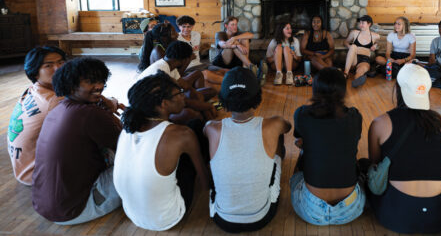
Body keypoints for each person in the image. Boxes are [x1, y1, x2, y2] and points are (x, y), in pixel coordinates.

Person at [32, 58, 125, 225]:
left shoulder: (59, 107)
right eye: (90, 82)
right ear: (71, 85)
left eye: (101, 80)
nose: (99, 86)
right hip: (77, 210)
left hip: (46, 206)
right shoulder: (90, 114)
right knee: (143, 160)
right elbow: (128, 147)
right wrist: (111, 111)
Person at [113, 72, 210, 231]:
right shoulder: (181, 135)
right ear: (163, 104)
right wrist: (210, 192)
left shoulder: (127, 129)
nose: (183, 96)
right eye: (178, 93)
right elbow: (203, 176)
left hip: (133, 214)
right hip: (169, 217)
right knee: (197, 129)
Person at [367, 64, 441, 234]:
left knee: (365, 168)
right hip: (439, 216)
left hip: (396, 215)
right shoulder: (440, 122)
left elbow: (375, 163)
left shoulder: (381, 123)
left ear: (398, 89)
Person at [204, 67, 291, 232]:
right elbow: (287, 127)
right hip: (260, 217)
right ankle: (275, 160)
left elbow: (204, 132)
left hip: (222, 220)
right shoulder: (274, 123)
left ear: (223, 99)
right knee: (277, 136)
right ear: (257, 97)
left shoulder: (211, 128)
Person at [290, 68, 365, 225]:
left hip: (311, 210)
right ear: (343, 91)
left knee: (296, 175)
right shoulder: (354, 116)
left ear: (315, 90)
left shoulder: (302, 114)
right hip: (350, 210)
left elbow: (300, 138)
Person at [7, 46, 66, 185]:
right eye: (48, 65)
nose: (58, 68)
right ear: (34, 73)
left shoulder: (34, 89)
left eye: (61, 62)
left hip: (24, 168)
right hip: (38, 174)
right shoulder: (53, 102)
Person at [138, 41, 217, 123]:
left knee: (201, 96)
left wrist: (198, 98)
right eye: (190, 58)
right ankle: (209, 125)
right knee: (194, 114)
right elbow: (185, 102)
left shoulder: (170, 65)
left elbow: (185, 86)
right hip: (149, 113)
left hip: (162, 104)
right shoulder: (162, 71)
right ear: (185, 60)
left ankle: (209, 123)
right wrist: (208, 106)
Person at [343, 15, 381, 88]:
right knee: (353, 46)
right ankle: (346, 73)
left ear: (369, 24)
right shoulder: (355, 33)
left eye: (363, 23)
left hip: (365, 60)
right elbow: (345, 42)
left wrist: (375, 45)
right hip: (353, 59)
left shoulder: (375, 36)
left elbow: (380, 42)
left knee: (361, 71)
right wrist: (349, 47)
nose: (360, 25)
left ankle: (356, 80)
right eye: (360, 23)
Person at [266, 21, 302, 85]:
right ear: (281, 30)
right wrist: (274, 57)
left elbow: (299, 59)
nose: (290, 30)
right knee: (279, 47)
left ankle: (289, 75)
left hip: (291, 64)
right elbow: (268, 60)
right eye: (287, 28)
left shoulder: (295, 40)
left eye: (290, 28)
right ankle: (278, 75)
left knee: (286, 48)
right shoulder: (274, 41)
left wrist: (294, 56)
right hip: (278, 65)